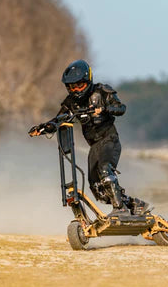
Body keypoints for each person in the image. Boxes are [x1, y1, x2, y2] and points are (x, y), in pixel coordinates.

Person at [29, 59, 150, 215]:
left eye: (80, 85)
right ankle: (134, 204)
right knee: (97, 189)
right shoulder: (71, 102)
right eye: (72, 87)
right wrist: (43, 128)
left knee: (105, 170)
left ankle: (120, 209)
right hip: (94, 146)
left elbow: (121, 108)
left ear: (88, 80)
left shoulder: (102, 91)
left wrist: (106, 108)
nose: (77, 90)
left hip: (109, 139)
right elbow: (58, 120)